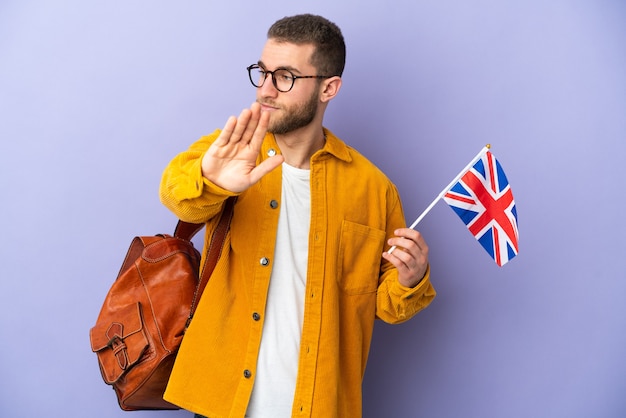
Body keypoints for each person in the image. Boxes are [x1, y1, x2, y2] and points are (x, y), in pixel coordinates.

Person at [159, 13, 436, 418]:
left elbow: (388, 306)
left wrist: (412, 279)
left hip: (320, 403)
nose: (266, 90)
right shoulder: (232, 150)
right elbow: (178, 197)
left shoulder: (374, 189)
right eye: (263, 72)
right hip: (223, 401)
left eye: (285, 76)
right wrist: (213, 180)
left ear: (329, 87)